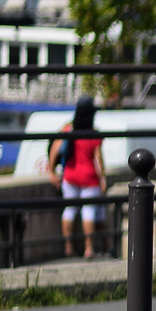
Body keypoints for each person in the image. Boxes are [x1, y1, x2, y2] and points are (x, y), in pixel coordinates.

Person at [49, 97, 106, 260]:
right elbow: (98, 159)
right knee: (89, 212)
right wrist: (103, 179)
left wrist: (52, 172)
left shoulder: (68, 130)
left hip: (70, 176)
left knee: (69, 210)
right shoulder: (94, 134)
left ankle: (68, 247)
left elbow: (54, 149)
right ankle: (89, 249)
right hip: (89, 178)